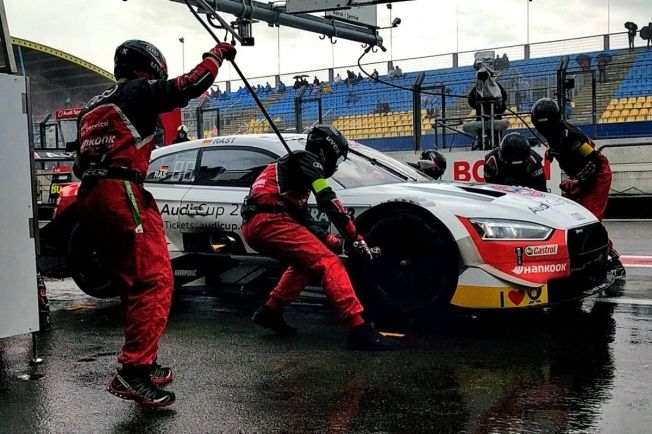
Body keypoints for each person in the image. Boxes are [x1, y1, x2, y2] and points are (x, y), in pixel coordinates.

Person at [74, 39, 236, 407]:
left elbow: (79, 165)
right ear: (150, 63)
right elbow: (189, 86)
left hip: (91, 195)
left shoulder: (91, 107)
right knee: (157, 280)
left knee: (133, 284)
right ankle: (132, 371)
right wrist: (217, 55)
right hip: (122, 191)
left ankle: (143, 362)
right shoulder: (139, 89)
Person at [241, 125, 398, 351]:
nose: (335, 164)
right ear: (327, 151)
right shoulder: (307, 159)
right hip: (270, 220)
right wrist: (354, 236)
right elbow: (327, 198)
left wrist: (335, 242)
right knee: (329, 263)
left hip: (259, 223)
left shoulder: (291, 174)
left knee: (307, 264)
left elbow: (306, 221)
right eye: (337, 157)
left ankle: (271, 311)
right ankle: (359, 329)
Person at [530, 98, 625, 279]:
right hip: (582, 176)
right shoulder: (555, 136)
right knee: (571, 220)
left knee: (589, 222)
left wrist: (577, 182)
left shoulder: (571, 136)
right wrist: (553, 152)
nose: (543, 130)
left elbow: (595, 162)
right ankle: (583, 259)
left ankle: (613, 262)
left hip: (598, 176)